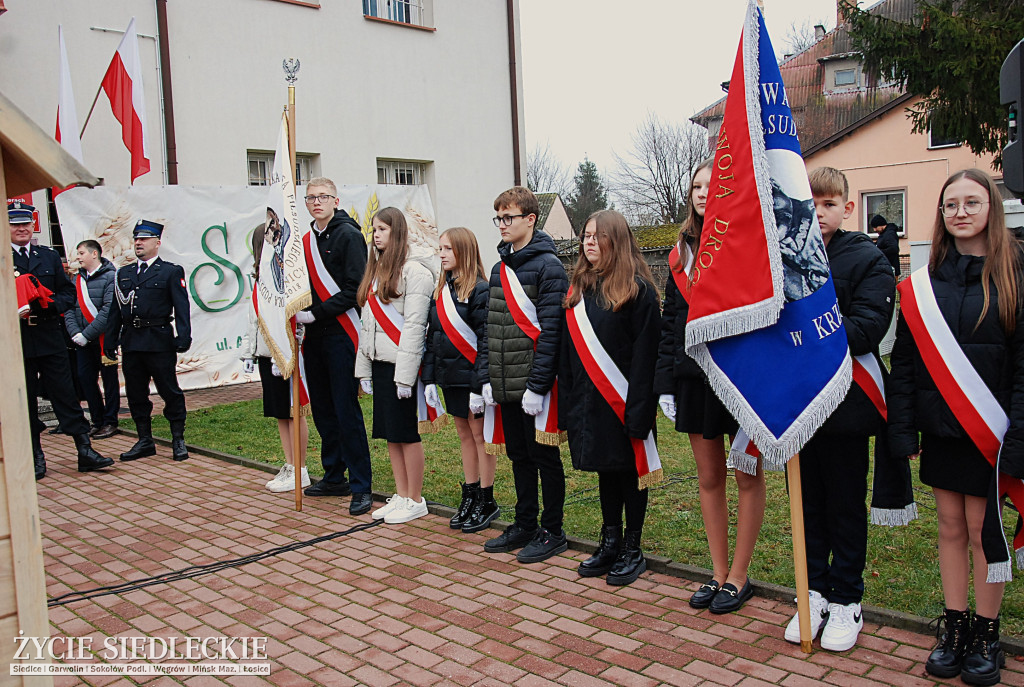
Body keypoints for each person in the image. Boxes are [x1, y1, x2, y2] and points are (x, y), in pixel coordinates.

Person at [889, 169, 1023, 685]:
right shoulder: (924, 283)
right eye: (951, 205)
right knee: (949, 528)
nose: (961, 212)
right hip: (943, 430)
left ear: (992, 207)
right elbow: (906, 363)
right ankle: (955, 627)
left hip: (992, 433)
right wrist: (903, 432)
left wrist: (1018, 441)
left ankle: (988, 633)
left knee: (983, 532)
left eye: (971, 202)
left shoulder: (1017, 273)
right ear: (941, 215)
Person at [782, 168, 896, 651]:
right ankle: (814, 592)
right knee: (808, 505)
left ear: (848, 208)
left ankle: (848, 599)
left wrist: (803, 328)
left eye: (830, 204)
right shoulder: (785, 258)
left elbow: (867, 329)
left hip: (847, 406)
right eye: (813, 203)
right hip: (799, 403)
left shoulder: (869, 258)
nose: (821, 212)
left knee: (845, 506)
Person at [655, 159, 765, 614]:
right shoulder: (679, 252)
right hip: (694, 380)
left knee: (746, 474)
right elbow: (670, 323)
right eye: (696, 186)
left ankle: (739, 576)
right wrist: (666, 382)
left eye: (711, 185)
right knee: (709, 477)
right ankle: (717, 573)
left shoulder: (745, 242)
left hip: (739, 378)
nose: (703, 192)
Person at [560, 209, 661, 586]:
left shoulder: (639, 290)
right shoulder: (579, 288)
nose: (588, 241)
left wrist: (639, 411)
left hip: (627, 401)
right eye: (585, 235)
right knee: (607, 470)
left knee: (631, 473)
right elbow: (569, 353)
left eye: (597, 235)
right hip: (590, 402)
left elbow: (646, 357)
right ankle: (610, 540)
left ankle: (633, 547)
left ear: (615, 241)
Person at [477, 186, 569, 564]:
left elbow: (551, 332)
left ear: (530, 219)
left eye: (508, 217)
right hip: (503, 382)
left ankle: (553, 529)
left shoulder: (550, 267)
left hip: (535, 384)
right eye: (498, 217)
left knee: (544, 456)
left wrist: (538, 386)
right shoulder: (499, 269)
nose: (502, 224)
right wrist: (485, 377)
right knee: (518, 455)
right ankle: (525, 521)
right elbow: (491, 329)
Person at [11, 201, 113, 478]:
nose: (21, 229)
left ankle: (85, 450)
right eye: (14, 224)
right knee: (25, 399)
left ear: (33, 226)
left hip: (48, 334)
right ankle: (35, 455)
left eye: (25, 224)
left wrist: (47, 304)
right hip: (16, 339)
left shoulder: (48, 256)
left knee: (66, 394)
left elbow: (67, 295)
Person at [293, 177, 373, 516]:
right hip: (314, 336)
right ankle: (333, 475)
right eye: (310, 198)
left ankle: (361, 486)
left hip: (341, 332)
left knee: (345, 410)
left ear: (336, 200)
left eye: (322, 197)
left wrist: (316, 313)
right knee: (323, 408)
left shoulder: (349, 235)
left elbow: (355, 287)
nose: (316, 202)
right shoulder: (306, 240)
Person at [355, 207, 436, 524]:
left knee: (406, 433)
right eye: (374, 229)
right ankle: (401, 495)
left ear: (398, 232)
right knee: (389, 433)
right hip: (379, 364)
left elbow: (415, 328)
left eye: (383, 229)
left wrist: (405, 378)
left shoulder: (416, 273)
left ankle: (415, 498)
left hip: (403, 367)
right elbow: (367, 326)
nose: (376, 235)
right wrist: (364, 370)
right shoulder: (375, 272)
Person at [421, 227, 497, 533]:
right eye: (440, 249)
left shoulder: (480, 290)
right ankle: (469, 493)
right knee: (465, 436)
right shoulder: (441, 292)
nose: (441, 254)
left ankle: (486, 499)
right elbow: (433, 338)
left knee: (481, 438)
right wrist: (428, 380)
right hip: (450, 377)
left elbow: (485, 340)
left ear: (463, 251)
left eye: (447, 249)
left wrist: (480, 386)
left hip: (473, 380)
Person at [105, 219, 192, 462]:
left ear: (157, 242)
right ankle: (144, 440)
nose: (138, 243)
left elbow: (181, 306)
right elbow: (116, 309)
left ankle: (178, 439)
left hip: (159, 341)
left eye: (144, 239)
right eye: (136, 239)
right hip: (132, 342)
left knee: (169, 390)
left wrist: (183, 336)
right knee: (135, 393)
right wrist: (110, 340)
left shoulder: (169, 271)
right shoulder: (125, 273)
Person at [241, 221, 310, 493]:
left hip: (282, 354)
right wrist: (249, 352)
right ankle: (290, 463)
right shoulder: (259, 277)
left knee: (294, 411)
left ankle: (300, 468)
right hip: (263, 353)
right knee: (280, 413)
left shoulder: (286, 277)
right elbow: (253, 320)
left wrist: (283, 352)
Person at [64, 240, 120, 440]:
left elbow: (108, 312)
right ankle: (97, 420)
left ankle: (110, 421)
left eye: (81, 253)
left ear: (94, 254)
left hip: (104, 340)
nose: (78, 257)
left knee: (110, 381)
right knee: (86, 379)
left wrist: (86, 334)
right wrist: (75, 334)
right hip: (81, 341)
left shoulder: (110, 277)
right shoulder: (77, 279)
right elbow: (69, 308)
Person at [871, 213, 902, 277]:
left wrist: (878, 252)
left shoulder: (889, 234)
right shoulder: (883, 234)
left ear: (881, 225)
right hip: (886, 267)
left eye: (875, 227)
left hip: (890, 267)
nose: (874, 230)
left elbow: (894, 249)